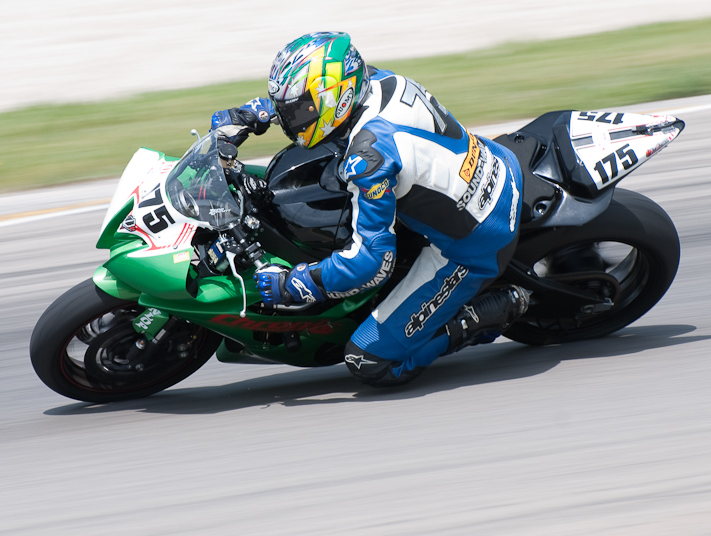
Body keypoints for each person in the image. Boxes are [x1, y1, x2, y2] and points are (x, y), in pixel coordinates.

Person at [211, 32, 528, 387]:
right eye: (289, 109)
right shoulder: (372, 80)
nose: (292, 119)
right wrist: (248, 114)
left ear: (338, 98)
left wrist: (297, 284)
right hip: (496, 163)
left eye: (299, 111)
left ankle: (478, 318)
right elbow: (313, 98)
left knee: (368, 360)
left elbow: (374, 263)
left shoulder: (369, 158)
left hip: (478, 239)